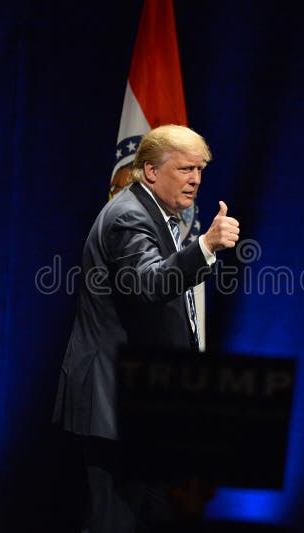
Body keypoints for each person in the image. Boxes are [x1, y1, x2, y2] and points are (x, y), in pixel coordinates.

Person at [53, 124, 240, 532]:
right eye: (186, 169)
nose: (195, 179)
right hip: (114, 397)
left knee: (154, 512)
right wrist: (205, 246)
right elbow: (148, 284)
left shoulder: (158, 214)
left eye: (200, 169)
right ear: (151, 172)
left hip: (144, 398)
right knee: (115, 519)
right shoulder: (129, 217)